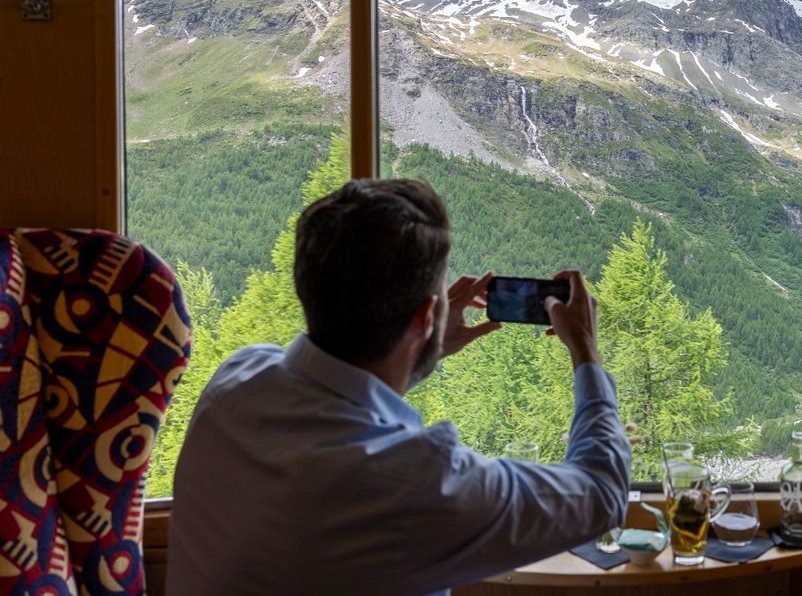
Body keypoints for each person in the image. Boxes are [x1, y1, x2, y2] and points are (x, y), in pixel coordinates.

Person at [166, 179, 631, 595]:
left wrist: (416, 350)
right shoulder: (411, 484)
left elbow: (340, 404)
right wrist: (585, 350)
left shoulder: (238, 378)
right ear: (426, 317)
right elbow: (602, 494)